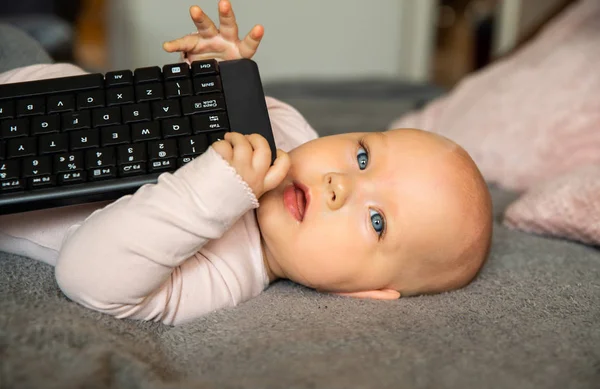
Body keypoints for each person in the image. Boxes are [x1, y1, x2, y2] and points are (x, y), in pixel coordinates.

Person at [0, 1, 492, 326]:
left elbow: (88, 275)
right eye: (362, 156)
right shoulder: (292, 133)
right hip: (42, 88)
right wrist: (211, 78)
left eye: (378, 220)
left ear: (367, 292)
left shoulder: (227, 276)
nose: (340, 185)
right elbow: (180, 115)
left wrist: (212, 191)